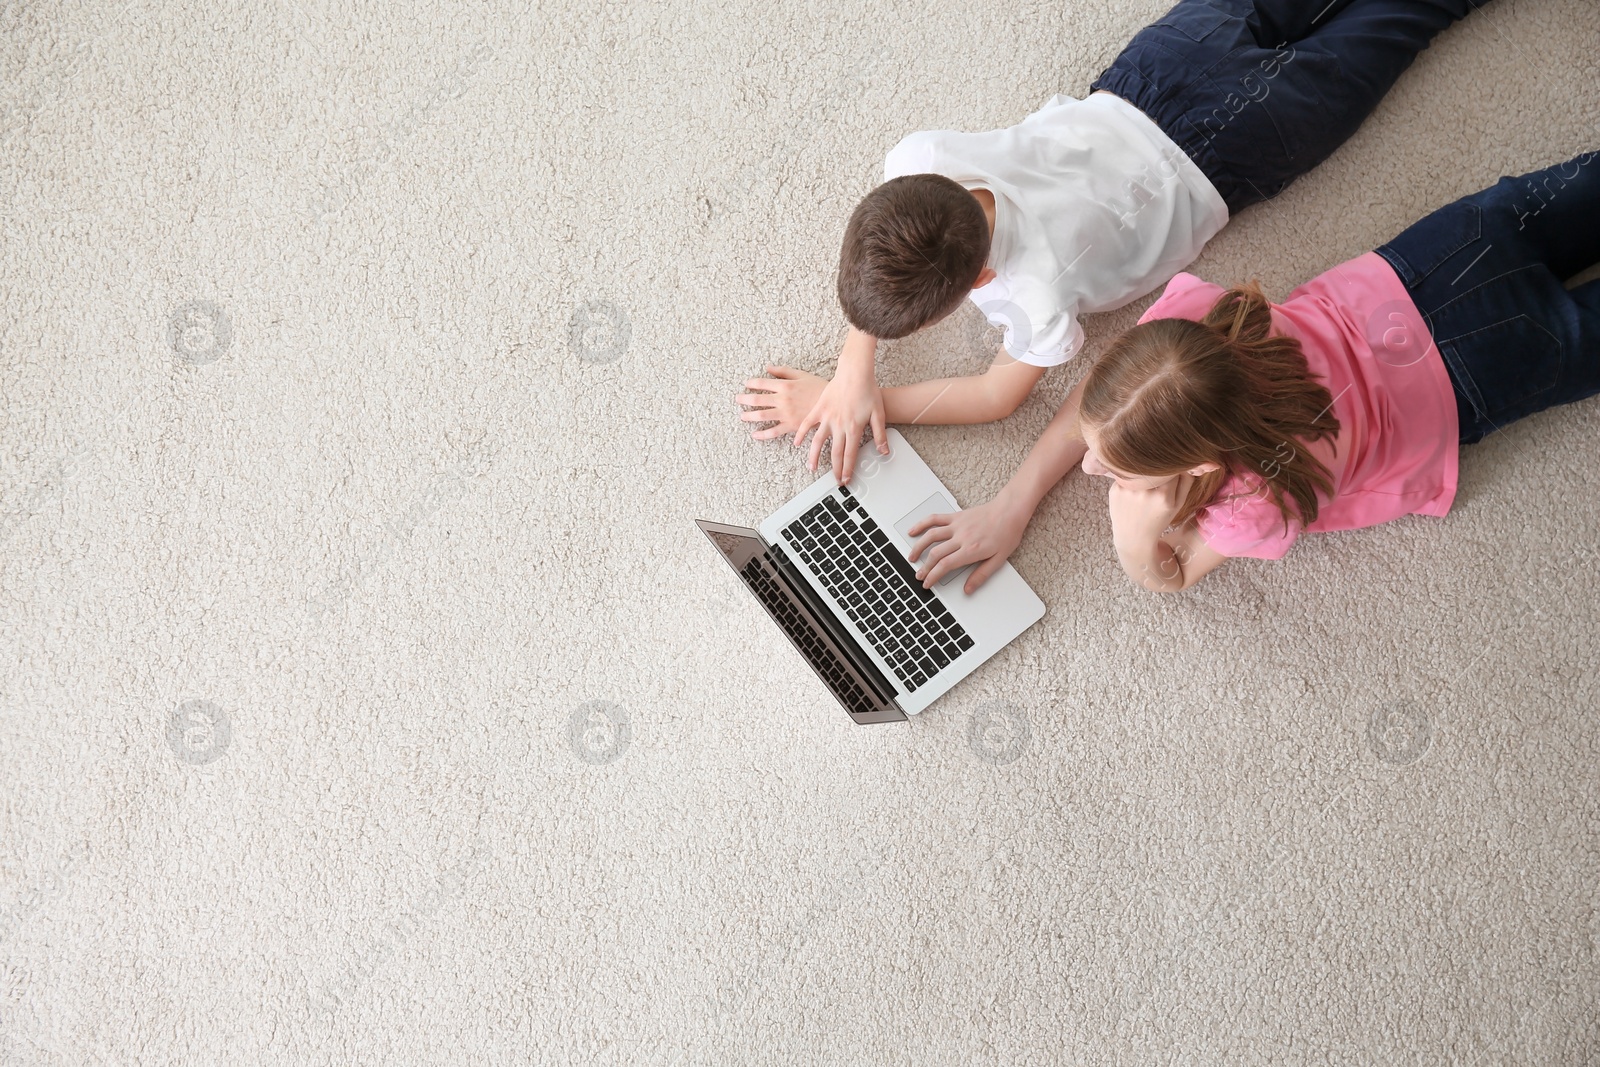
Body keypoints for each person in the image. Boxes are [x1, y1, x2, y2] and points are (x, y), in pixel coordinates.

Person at [737, 0, 1490, 485]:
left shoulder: (1036, 295)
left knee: (1402, 17)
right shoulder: (918, 159)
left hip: (1235, 151)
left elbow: (1000, 397)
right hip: (1158, 69)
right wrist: (848, 368)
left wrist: (871, 397)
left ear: (976, 284)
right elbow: (886, 237)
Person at [897, 151, 1600, 593]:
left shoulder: (1251, 505)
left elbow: (1173, 577)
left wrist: (1133, 541)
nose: (1093, 475)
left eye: (1121, 476)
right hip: (1438, 258)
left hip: (1476, 371)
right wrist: (1019, 499)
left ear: (1203, 466)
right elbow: (1114, 397)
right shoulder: (1197, 317)